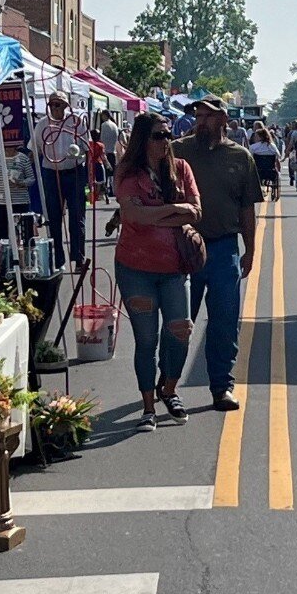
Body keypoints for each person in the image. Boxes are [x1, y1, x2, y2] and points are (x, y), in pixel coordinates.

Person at [171, 95, 264, 411]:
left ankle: (221, 387)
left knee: (224, 321)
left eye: (208, 116)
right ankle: (168, 383)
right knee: (181, 320)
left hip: (225, 249)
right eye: (197, 115)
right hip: (185, 247)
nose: (201, 121)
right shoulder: (179, 150)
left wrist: (250, 250)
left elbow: (247, 207)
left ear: (224, 120)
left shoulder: (240, 157)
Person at [114, 113, 202, 432]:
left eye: (168, 135)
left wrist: (155, 216)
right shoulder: (128, 172)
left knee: (180, 331)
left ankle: (170, 391)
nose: (166, 141)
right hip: (136, 268)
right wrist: (174, 211)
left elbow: (197, 210)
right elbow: (132, 213)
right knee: (147, 339)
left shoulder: (181, 169)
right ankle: (148, 406)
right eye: (158, 136)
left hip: (176, 267)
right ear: (142, 139)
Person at [31, 89, 89, 272]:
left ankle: (78, 258)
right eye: (53, 104)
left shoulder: (76, 123)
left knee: (77, 217)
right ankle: (57, 259)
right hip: (51, 173)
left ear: (66, 106)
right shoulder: (42, 125)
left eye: (60, 104)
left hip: (74, 172)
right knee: (53, 218)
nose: (56, 108)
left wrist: (79, 156)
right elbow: (34, 150)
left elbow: (86, 147)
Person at [0, 144, 36, 240]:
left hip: (19, 201)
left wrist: (21, 183)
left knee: (22, 233)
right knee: (0, 234)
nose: (8, 148)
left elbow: (31, 179)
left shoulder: (23, 158)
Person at [249, 127, 281, 193]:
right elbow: (278, 156)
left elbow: (250, 158)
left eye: (256, 136)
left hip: (258, 171)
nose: (255, 138)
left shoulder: (253, 147)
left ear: (260, 137)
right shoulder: (272, 146)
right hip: (270, 171)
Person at [99, 110, 119, 192]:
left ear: (104, 115)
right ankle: (112, 189)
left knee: (105, 173)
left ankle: (105, 189)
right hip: (113, 151)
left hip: (105, 152)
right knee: (112, 173)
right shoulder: (115, 125)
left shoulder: (104, 125)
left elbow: (102, 138)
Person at [88, 130, 109, 205]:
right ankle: (101, 196)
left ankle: (91, 198)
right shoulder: (100, 145)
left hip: (90, 164)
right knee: (101, 181)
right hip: (98, 164)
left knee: (91, 182)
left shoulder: (89, 144)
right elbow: (103, 156)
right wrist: (108, 165)